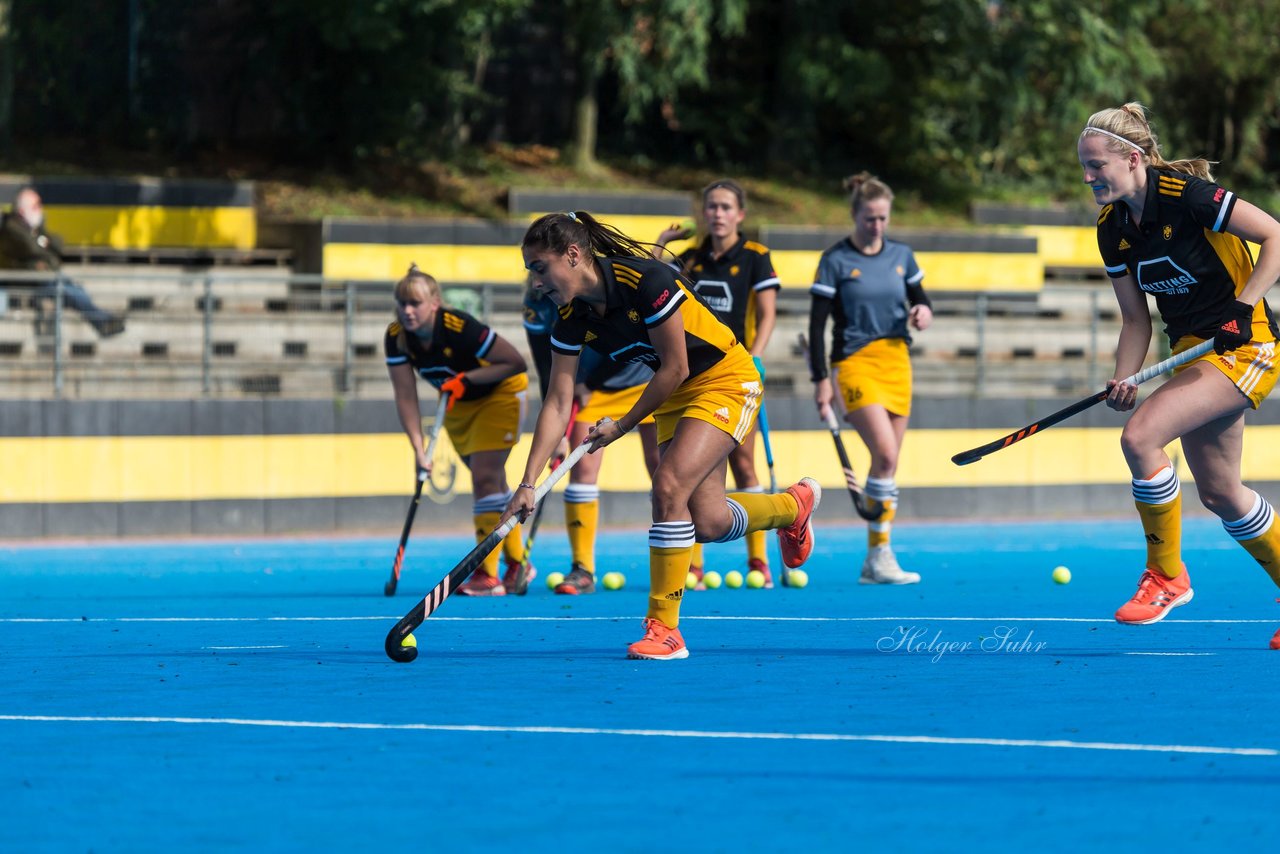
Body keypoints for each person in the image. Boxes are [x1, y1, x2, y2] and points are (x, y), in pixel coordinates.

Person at [507, 211, 820, 660]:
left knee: (668, 484)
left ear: (573, 255)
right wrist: (527, 483)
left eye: (540, 268)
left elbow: (676, 366)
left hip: (725, 377)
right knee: (708, 522)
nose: (536, 283)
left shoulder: (647, 281)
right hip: (678, 394)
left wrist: (622, 425)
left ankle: (664, 630)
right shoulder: (571, 317)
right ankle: (793, 506)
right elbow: (558, 403)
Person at [1079, 103, 1280, 649]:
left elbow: (1276, 236)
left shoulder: (1187, 196)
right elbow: (1134, 319)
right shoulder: (1112, 228)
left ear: (1133, 158)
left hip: (1248, 345)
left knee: (1141, 438)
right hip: (1194, 352)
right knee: (1221, 493)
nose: (1090, 177)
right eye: (1085, 168)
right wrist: (1126, 378)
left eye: (1098, 166)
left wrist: (1244, 305)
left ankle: (1166, 577)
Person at [653, 178, 780, 587]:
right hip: (692, 376)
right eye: (712, 207)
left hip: (735, 374)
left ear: (740, 214)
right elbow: (650, 284)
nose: (718, 214)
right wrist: (660, 242)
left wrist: (757, 354)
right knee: (687, 470)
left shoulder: (756, 256)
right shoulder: (690, 258)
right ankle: (692, 562)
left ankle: (758, 559)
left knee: (743, 462)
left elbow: (767, 313)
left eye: (726, 207)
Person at [807, 172, 932, 585]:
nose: (877, 226)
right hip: (854, 362)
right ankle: (880, 555)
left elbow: (921, 301)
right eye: (869, 219)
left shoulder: (902, 255)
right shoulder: (836, 260)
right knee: (886, 453)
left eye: (882, 218)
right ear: (855, 215)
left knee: (886, 465)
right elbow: (817, 323)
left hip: (897, 361)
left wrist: (923, 313)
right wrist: (820, 378)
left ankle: (875, 558)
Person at [386, 264, 533, 596]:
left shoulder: (458, 327)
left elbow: (514, 362)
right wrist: (419, 451)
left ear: (435, 303)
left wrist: (466, 379)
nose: (407, 311)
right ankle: (517, 564)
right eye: (402, 304)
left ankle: (487, 573)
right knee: (492, 482)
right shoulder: (396, 337)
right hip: (457, 406)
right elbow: (405, 396)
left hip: (501, 394)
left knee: (484, 477)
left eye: (416, 304)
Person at [524, 283, 662, 594]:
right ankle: (582, 568)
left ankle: (688, 559)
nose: (537, 279)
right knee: (582, 469)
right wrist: (559, 421)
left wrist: (587, 383)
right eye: (532, 268)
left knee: (662, 468)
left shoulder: (599, 292)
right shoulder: (536, 301)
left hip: (643, 380)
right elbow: (546, 363)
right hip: (593, 392)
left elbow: (623, 343)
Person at [0, 187, 125, 337]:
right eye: (35, 206)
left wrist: (40, 235)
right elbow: (33, 249)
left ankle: (103, 320)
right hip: (27, 279)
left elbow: (58, 245)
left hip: (44, 275)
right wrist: (41, 242)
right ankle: (103, 321)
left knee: (77, 289)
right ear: (21, 210)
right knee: (69, 291)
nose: (39, 210)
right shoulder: (12, 228)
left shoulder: (35, 228)